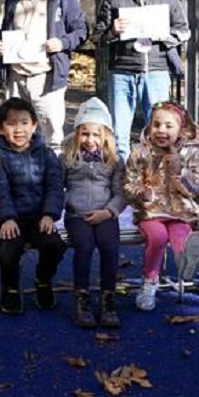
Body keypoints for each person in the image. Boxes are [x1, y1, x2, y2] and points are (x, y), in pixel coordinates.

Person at [91, 0, 191, 160]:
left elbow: (184, 30)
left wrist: (162, 34)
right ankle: (121, 174)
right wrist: (113, 31)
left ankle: (157, 174)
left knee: (159, 129)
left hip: (156, 70)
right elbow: (97, 36)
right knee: (120, 130)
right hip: (121, 71)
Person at [0, 0, 88, 149]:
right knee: (15, 133)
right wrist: (1, 44)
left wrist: (62, 43)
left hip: (46, 76)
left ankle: (52, 177)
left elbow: (81, 31)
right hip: (16, 76)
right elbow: (6, 30)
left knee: (52, 136)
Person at [124, 101, 199, 312]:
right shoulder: (140, 152)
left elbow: (197, 189)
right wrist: (140, 193)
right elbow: (128, 183)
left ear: (182, 130)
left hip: (181, 211)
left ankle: (186, 266)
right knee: (158, 238)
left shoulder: (191, 154)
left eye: (169, 126)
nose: (161, 130)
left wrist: (180, 171)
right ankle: (150, 281)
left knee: (180, 240)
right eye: (156, 124)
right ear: (149, 126)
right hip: (150, 211)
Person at [0, 97, 67, 316]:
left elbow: (54, 187)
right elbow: (0, 190)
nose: (18, 129)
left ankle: (43, 279)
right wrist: (6, 218)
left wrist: (49, 215)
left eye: (24, 123)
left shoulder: (46, 154)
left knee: (54, 245)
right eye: (11, 123)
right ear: (2, 128)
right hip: (11, 218)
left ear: (34, 125)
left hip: (39, 217)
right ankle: (11, 286)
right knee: (8, 249)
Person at [61, 98, 125, 328]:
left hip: (105, 213)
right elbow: (57, 187)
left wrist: (109, 212)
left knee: (109, 246)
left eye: (96, 135)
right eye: (85, 134)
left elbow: (121, 192)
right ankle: (82, 298)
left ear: (105, 135)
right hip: (77, 215)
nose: (90, 140)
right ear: (78, 133)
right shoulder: (67, 157)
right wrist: (67, 204)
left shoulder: (114, 160)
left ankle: (108, 298)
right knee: (84, 246)